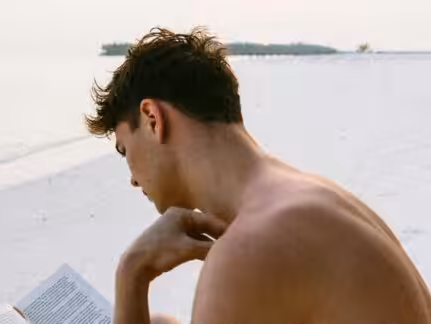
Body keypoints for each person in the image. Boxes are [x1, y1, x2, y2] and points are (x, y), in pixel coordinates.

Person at [86, 27, 431, 323]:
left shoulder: (251, 247)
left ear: (152, 118)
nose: (131, 178)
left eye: (124, 150)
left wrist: (132, 272)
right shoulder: (307, 198)